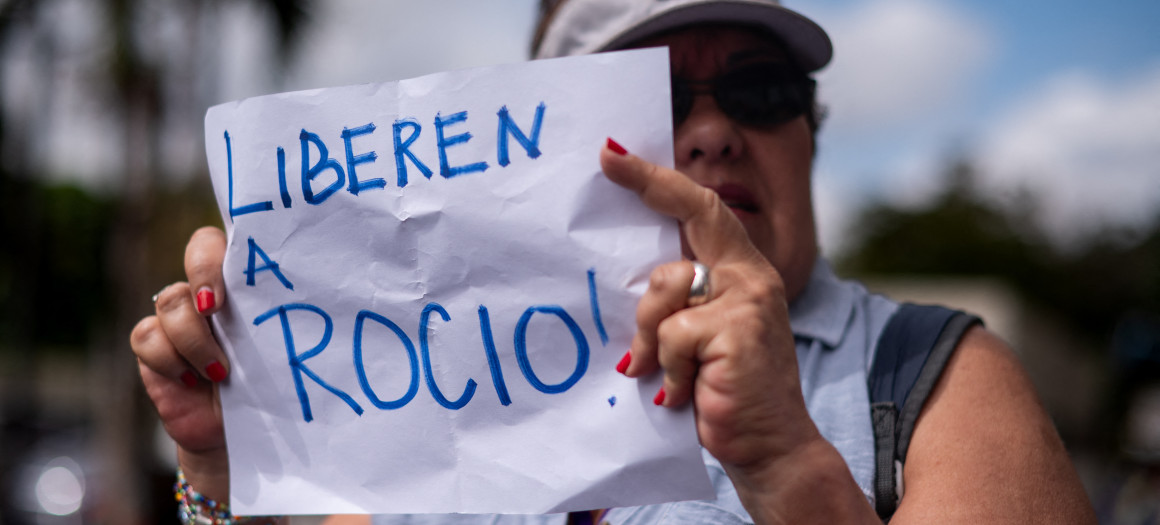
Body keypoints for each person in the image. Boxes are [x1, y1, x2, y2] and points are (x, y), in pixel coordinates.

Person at [131, 0, 1097, 523]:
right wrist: (221, 468)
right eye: (658, 96)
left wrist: (792, 470)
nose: (714, 130)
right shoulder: (413, 398)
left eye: (760, 88)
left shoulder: (932, 375)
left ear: (811, 130)